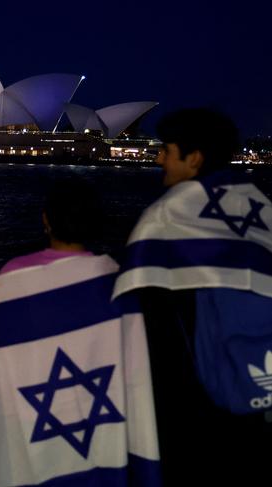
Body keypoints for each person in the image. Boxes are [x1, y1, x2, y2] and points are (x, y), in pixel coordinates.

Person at [112, 108, 272, 484]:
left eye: (166, 150)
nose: (158, 159)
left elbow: (139, 308)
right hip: (258, 397)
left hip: (194, 403)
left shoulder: (167, 216)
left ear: (194, 158)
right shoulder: (262, 208)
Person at [0, 179, 160, 486]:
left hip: (30, 435)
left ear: (46, 220)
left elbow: (1, 370)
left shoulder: (11, 281)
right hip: (100, 434)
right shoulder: (117, 284)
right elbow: (135, 379)